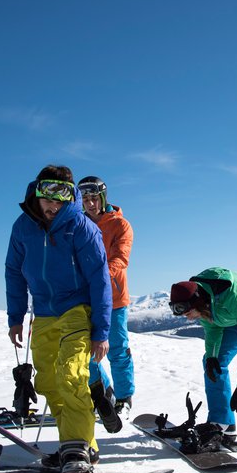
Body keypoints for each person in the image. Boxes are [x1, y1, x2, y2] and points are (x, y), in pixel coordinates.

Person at [5, 165, 112, 473]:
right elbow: (13, 271)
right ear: (36, 192)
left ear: (71, 197)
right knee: (49, 381)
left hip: (78, 310)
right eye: (47, 195)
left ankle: (78, 444)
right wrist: (15, 317)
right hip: (44, 314)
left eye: (62, 196)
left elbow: (100, 279)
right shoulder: (23, 227)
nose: (53, 204)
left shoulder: (81, 227)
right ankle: (75, 445)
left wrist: (101, 331)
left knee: (71, 376)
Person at [168, 268, 237, 448]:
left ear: (198, 302)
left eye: (187, 312)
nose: (186, 317)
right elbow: (212, 328)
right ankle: (223, 422)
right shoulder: (201, 298)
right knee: (213, 364)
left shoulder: (231, 293)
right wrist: (212, 357)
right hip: (230, 319)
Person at [78, 176, 135, 423]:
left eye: (93, 198)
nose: (90, 204)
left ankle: (124, 399)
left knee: (118, 350)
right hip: (85, 299)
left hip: (114, 298)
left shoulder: (120, 225)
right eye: (85, 199)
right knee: (85, 352)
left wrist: (98, 277)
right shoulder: (77, 224)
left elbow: (121, 259)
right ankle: (102, 392)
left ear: (102, 197)